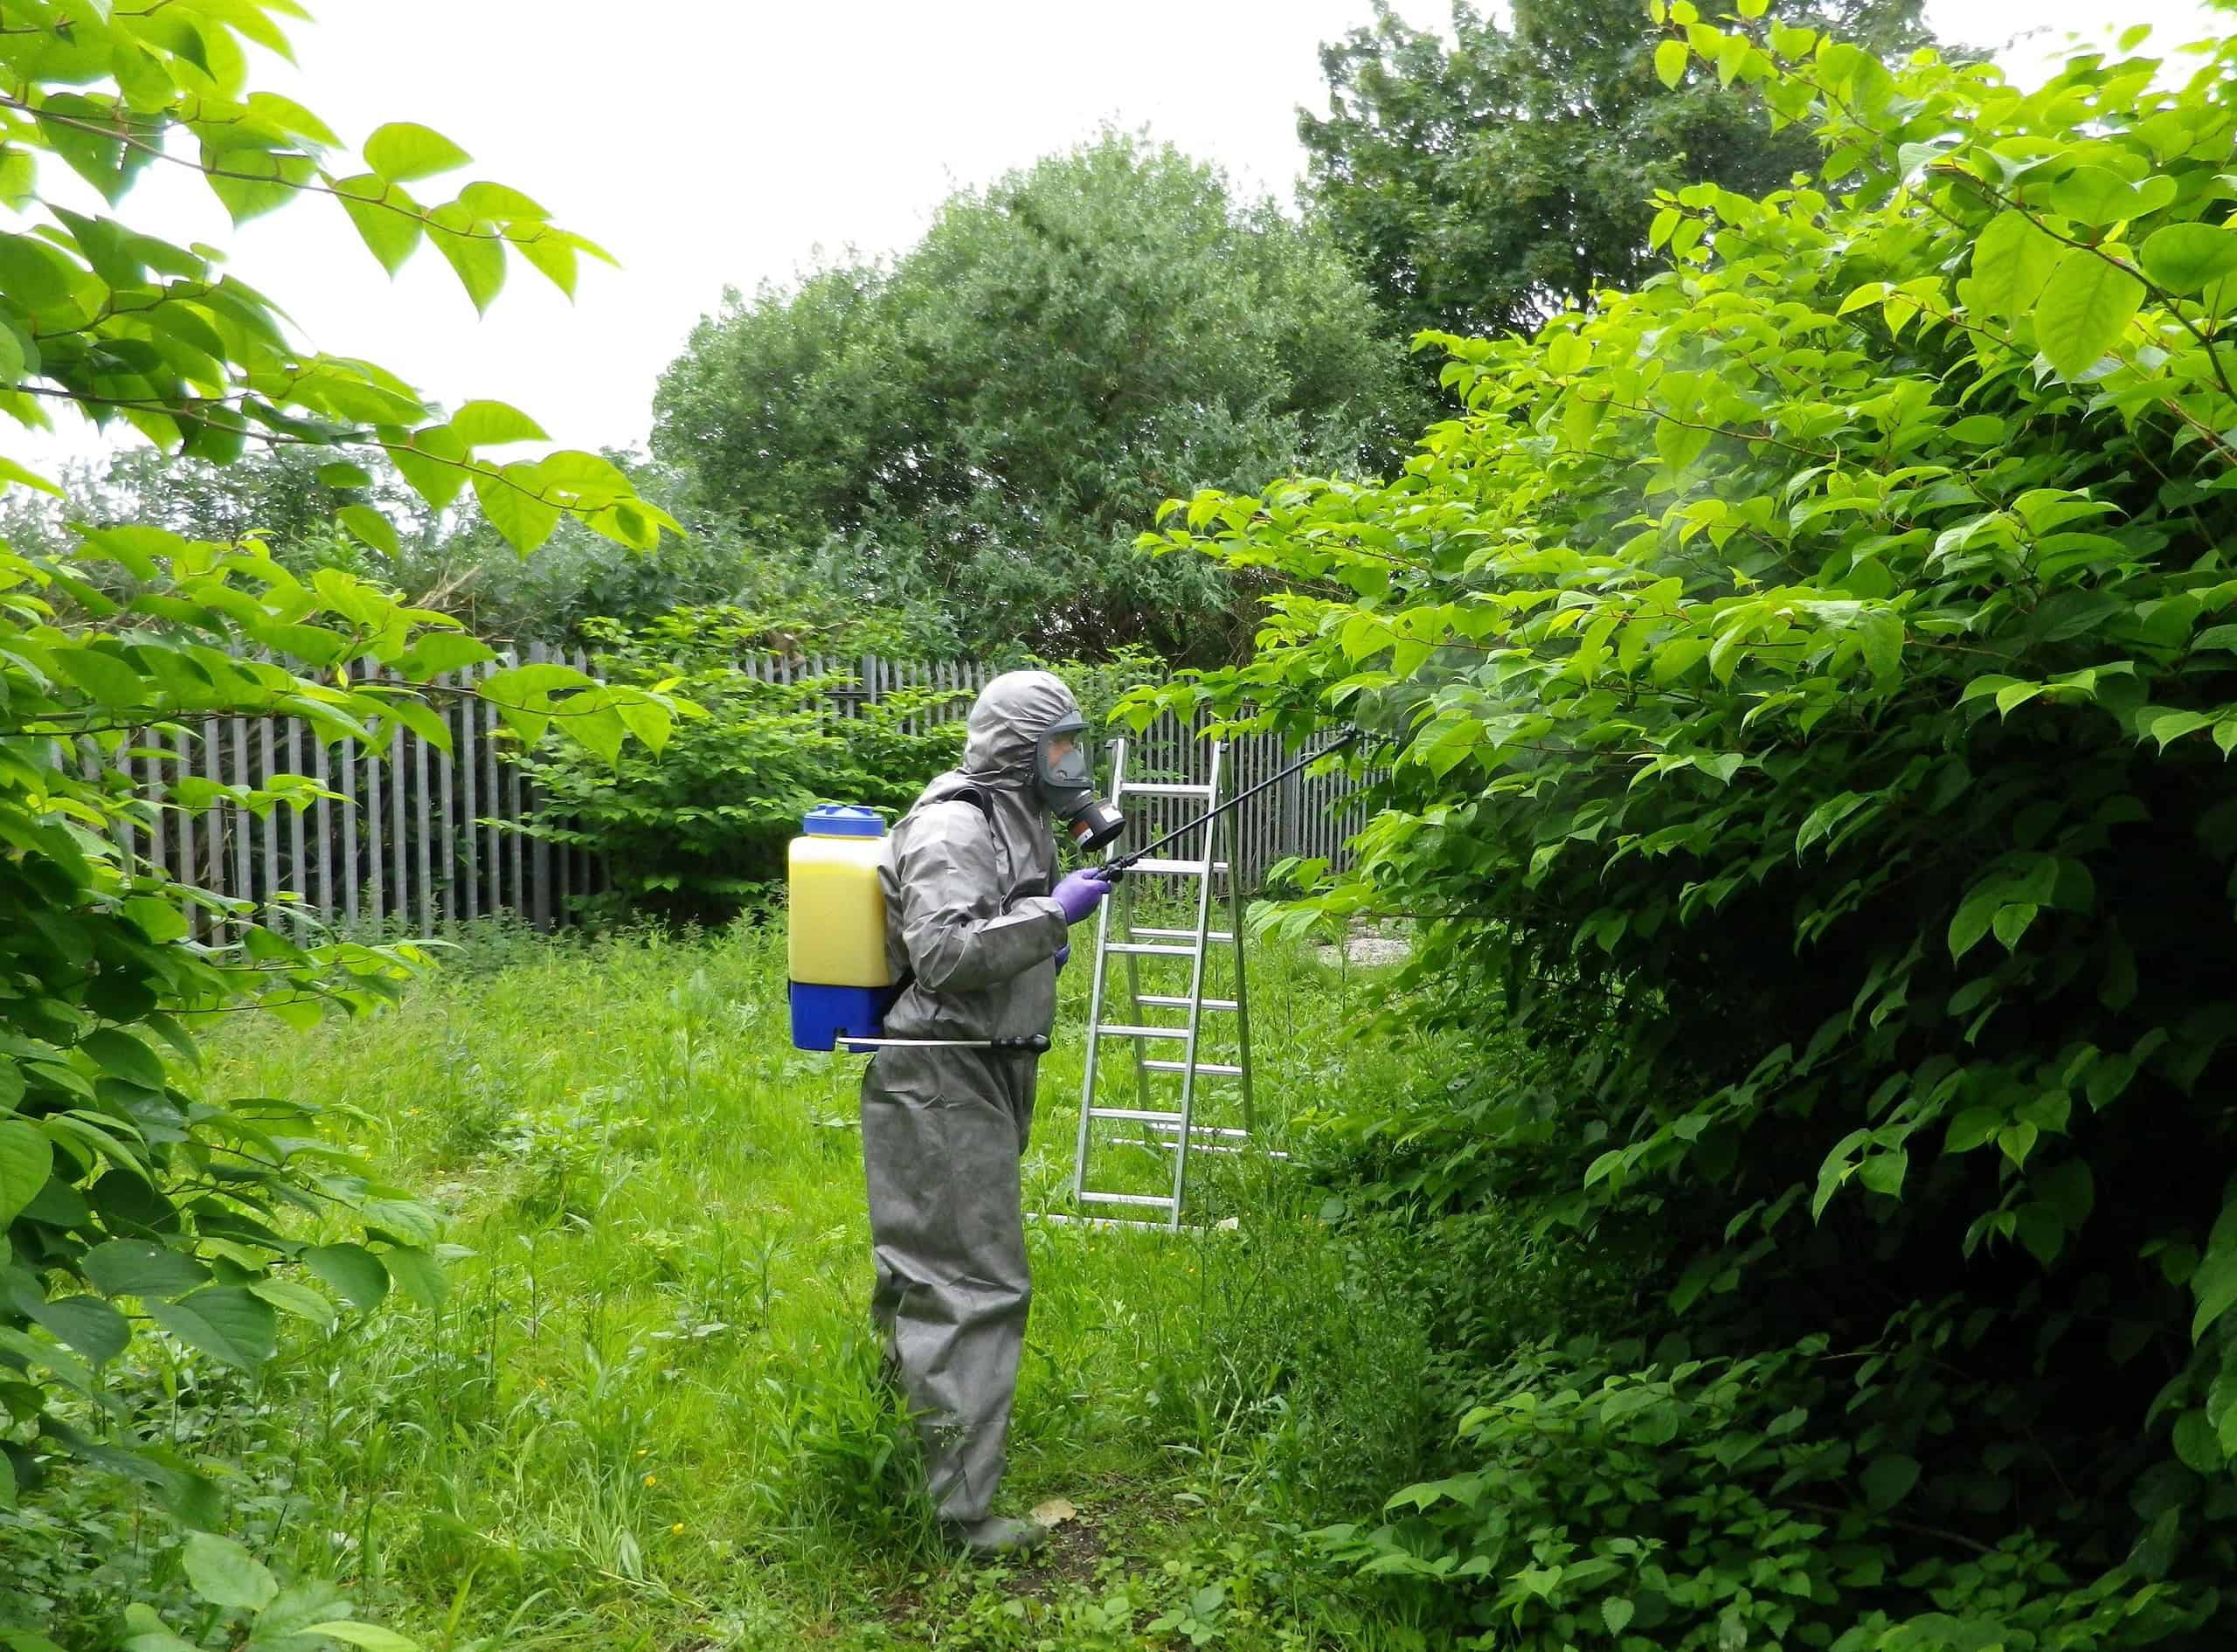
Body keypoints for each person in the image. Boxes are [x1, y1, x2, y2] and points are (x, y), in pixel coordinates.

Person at [860, 670, 1116, 1556]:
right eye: (1059, 746)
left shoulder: (1016, 819)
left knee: (929, 1264)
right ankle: (960, 1518)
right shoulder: (951, 825)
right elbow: (941, 952)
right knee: (974, 1282)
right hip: (943, 1073)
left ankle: (897, 1454)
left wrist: (1057, 889)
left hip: (987, 1066)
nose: (1071, 762)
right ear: (1017, 749)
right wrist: (1054, 914)